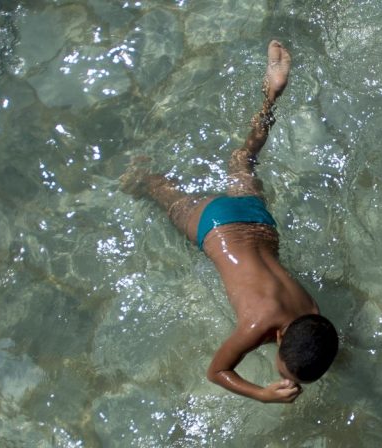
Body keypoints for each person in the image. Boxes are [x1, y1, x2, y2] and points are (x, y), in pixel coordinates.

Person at [119, 41, 338, 403]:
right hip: (216, 227)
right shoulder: (258, 327)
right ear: (279, 339)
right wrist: (262, 394)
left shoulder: (312, 311)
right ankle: (138, 173)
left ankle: (271, 95)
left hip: (259, 223)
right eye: (283, 369)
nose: (284, 377)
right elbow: (217, 371)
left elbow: (319, 339)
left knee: (243, 160)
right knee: (159, 190)